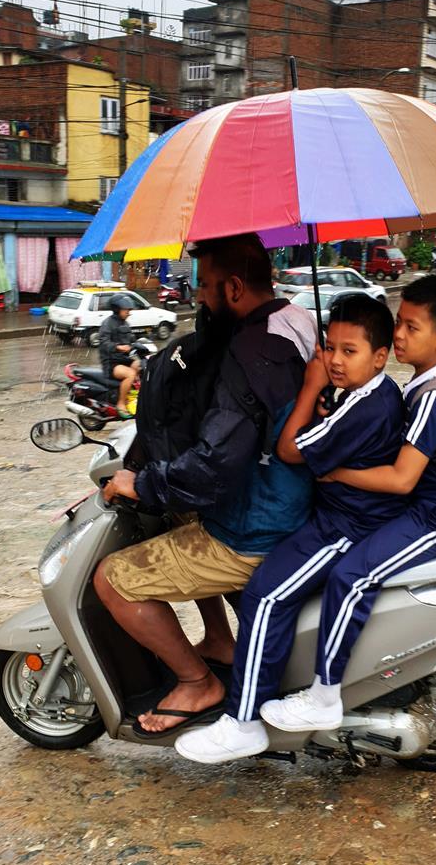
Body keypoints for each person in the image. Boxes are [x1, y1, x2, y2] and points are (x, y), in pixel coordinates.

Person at [176, 275, 436, 763]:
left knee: (289, 589)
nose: (401, 335)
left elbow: (314, 456)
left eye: (411, 327)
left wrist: (321, 415)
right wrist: (330, 406)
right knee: (279, 588)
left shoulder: (430, 397)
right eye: (398, 323)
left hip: (405, 519)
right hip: (366, 513)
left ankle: (259, 715)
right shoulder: (406, 388)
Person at [93, 232, 317, 738]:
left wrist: (142, 482)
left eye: (206, 285)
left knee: (111, 578)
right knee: (178, 514)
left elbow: (215, 465)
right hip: (291, 497)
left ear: (234, 287)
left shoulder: (251, 350)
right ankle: (219, 639)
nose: (198, 296)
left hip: (255, 526)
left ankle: (197, 683)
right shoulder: (296, 321)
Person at [98, 294, 140, 417]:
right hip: (111, 363)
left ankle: (133, 396)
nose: (129, 313)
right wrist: (117, 347)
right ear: (117, 309)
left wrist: (140, 342)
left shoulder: (125, 323)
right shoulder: (107, 323)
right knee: (130, 374)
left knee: (142, 365)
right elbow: (104, 342)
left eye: (129, 310)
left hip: (124, 359)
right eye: (126, 310)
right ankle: (121, 403)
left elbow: (131, 339)